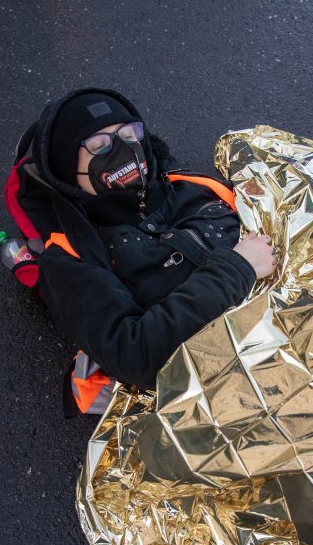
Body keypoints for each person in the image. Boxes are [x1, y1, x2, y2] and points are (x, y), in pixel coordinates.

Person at [25, 87, 276, 390]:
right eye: (100, 146)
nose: (123, 151)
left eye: (130, 135)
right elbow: (135, 356)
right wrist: (237, 269)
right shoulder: (71, 258)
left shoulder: (192, 185)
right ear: (67, 168)